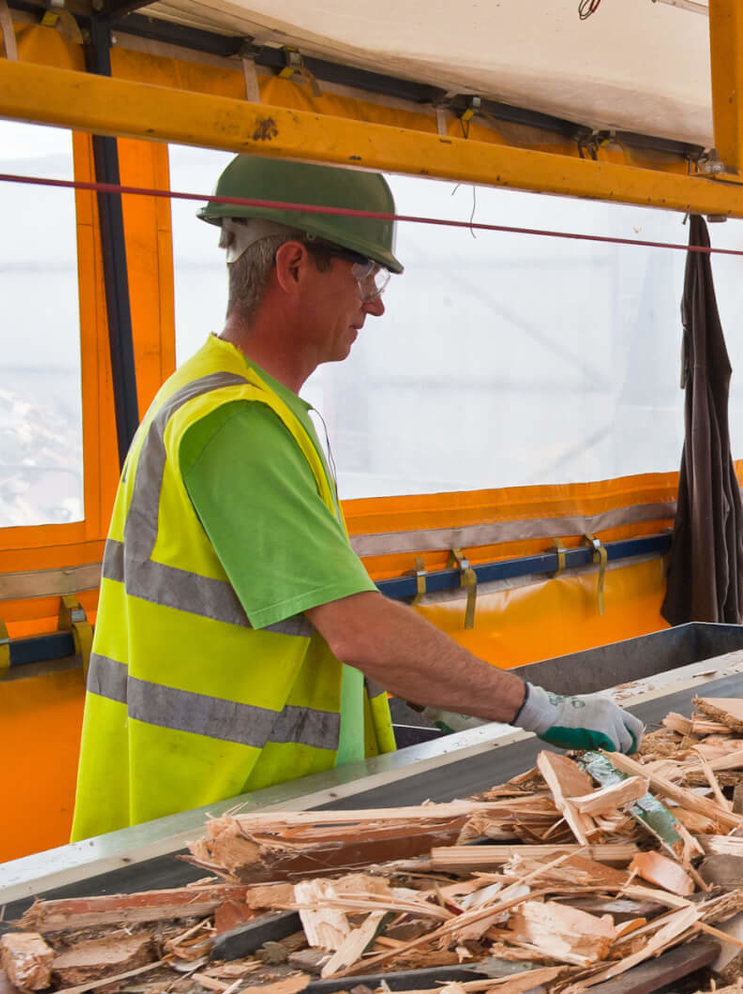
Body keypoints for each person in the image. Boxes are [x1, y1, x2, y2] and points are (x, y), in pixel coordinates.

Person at [72, 155, 642, 840]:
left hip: (250, 807)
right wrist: (539, 709)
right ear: (291, 267)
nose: (375, 303)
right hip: (216, 819)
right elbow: (357, 631)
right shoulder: (233, 423)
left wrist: (444, 692)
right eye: (364, 276)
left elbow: (308, 624)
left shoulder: (252, 407)